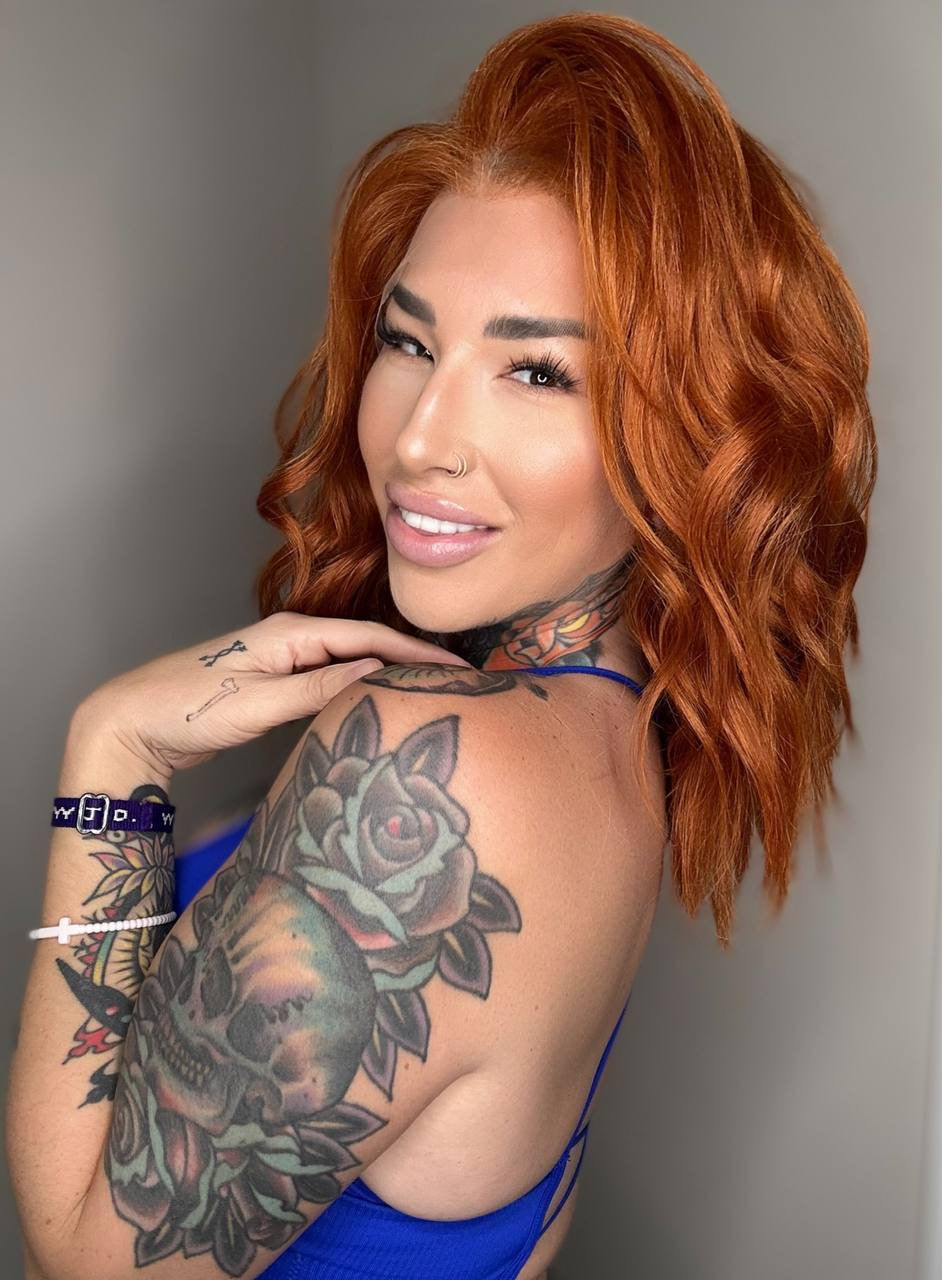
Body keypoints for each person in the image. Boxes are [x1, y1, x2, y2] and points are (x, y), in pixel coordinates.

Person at [6, 11, 877, 1280]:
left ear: (687, 437)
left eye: (536, 374)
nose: (419, 437)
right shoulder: (618, 734)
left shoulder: (443, 765)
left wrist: (115, 753)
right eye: (409, 343)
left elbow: (88, 1262)